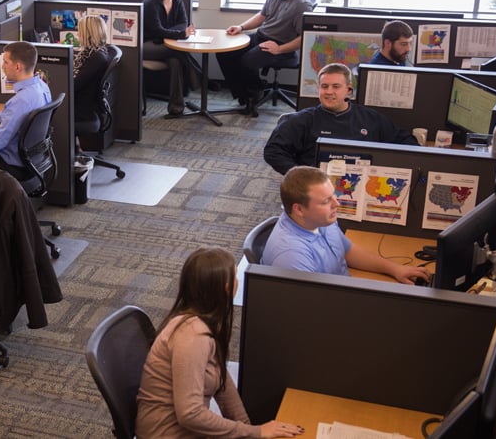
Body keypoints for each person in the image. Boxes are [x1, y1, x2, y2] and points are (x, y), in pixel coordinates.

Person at [136, 248, 303, 438]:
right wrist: (253, 432)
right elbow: (190, 415)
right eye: (235, 276)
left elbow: (222, 384)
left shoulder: (205, 322)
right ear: (226, 288)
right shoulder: (191, 337)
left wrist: (249, 430)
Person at [261, 166, 431, 284]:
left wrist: (394, 269)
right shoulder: (291, 256)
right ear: (299, 209)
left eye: (333, 195)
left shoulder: (319, 219)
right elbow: (310, 308)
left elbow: (348, 250)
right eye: (326, 201)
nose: (336, 204)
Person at [263, 63, 418, 174]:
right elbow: (273, 150)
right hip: (317, 188)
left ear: (348, 90)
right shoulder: (302, 120)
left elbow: (405, 142)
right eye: (324, 87)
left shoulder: (370, 118)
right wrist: (300, 175)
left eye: (336, 87)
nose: (329, 92)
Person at [217, 0, 315, 113]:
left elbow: (304, 38)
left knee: (248, 61)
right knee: (224, 52)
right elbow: (262, 16)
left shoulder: (302, 4)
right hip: (261, 36)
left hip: (280, 45)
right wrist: (241, 27)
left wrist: (279, 49)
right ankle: (244, 95)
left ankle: (254, 92)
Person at [0, 41, 51, 179]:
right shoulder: (42, 87)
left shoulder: (20, 100)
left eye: (5, 62)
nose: (2, 67)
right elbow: (13, 115)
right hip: (34, 159)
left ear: (18, 66)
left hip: (10, 165)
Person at [142, 0, 200, 116]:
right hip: (147, 46)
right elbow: (157, 31)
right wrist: (179, 34)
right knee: (177, 51)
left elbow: (183, 23)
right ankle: (200, 77)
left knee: (176, 61)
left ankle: (176, 108)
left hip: (165, 45)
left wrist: (172, 34)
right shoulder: (150, 3)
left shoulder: (178, 1)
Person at [73, 15, 112, 133]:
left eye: (80, 32)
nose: (77, 34)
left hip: (82, 111)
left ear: (88, 34)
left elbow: (74, 85)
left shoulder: (96, 58)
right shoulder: (93, 52)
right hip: (82, 104)